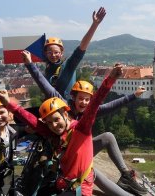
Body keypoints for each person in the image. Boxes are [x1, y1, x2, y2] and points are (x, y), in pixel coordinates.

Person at [22, 50, 147, 195]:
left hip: (79, 152)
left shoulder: (88, 113)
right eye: (80, 98)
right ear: (73, 98)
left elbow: (110, 106)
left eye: (87, 99)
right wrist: (29, 64)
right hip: (66, 156)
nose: (84, 102)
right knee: (91, 172)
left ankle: (125, 175)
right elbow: (45, 86)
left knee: (107, 137)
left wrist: (133, 96)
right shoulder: (62, 107)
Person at [0, 64, 123, 196]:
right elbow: (33, 122)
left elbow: (94, 103)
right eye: (50, 123)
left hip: (79, 191)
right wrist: (8, 104)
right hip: (65, 187)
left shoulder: (81, 129)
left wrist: (110, 79)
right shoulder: (54, 135)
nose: (54, 125)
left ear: (66, 115)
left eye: (57, 120)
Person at [41, 7, 106, 99]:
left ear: (61, 53)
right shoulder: (47, 71)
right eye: (50, 52)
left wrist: (94, 25)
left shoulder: (68, 66)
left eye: (56, 52)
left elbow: (81, 49)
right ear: (45, 53)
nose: (53, 55)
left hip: (67, 110)